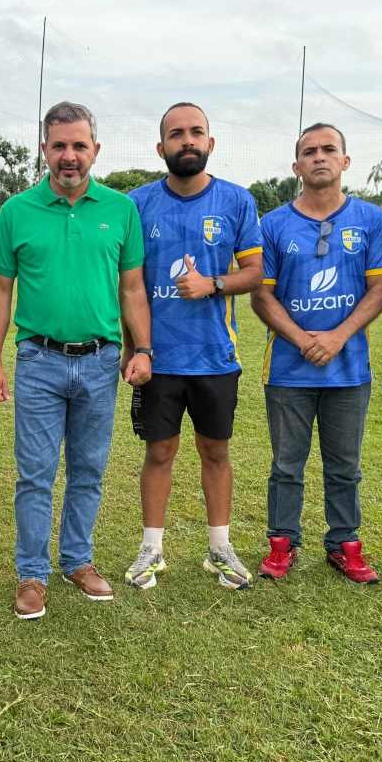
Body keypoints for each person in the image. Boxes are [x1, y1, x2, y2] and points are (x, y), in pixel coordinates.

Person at [0, 101, 153, 620]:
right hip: (39, 360)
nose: (69, 156)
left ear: (95, 151)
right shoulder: (17, 212)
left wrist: (141, 348)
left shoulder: (121, 210)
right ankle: (31, 573)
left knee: (88, 470)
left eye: (79, 145)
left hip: (102, 362)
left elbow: (131, 289)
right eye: (59, 145)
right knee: (35, 474)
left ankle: (78, 561)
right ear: (44, 150)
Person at [121, 102, 263, 591]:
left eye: (196, 132)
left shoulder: (238, 201)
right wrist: (133, 349)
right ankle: (151, 551)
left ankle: (220, 550)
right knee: (159, 453)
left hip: (215, 356)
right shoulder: (136, 204)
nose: (187, 141)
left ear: (210, 143)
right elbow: (129, 284)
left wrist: (213, 285)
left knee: (215, 451)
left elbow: (255, 272)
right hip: (158, 358)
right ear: (161, 148)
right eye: (176, 134)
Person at [251, 123, 382, 585]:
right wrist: (303, 339)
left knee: (345, 466)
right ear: (296, 166)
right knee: (286, 465)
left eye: (329, 149)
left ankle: (344, 545)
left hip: (348, 369)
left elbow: (380, 290)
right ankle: (282, 544)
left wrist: (336, 337)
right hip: (289, 370)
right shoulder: (271, 225)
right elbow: (261, 296)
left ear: (345, 161)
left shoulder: (371, 219)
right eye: (308, 152)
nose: (319, 157)